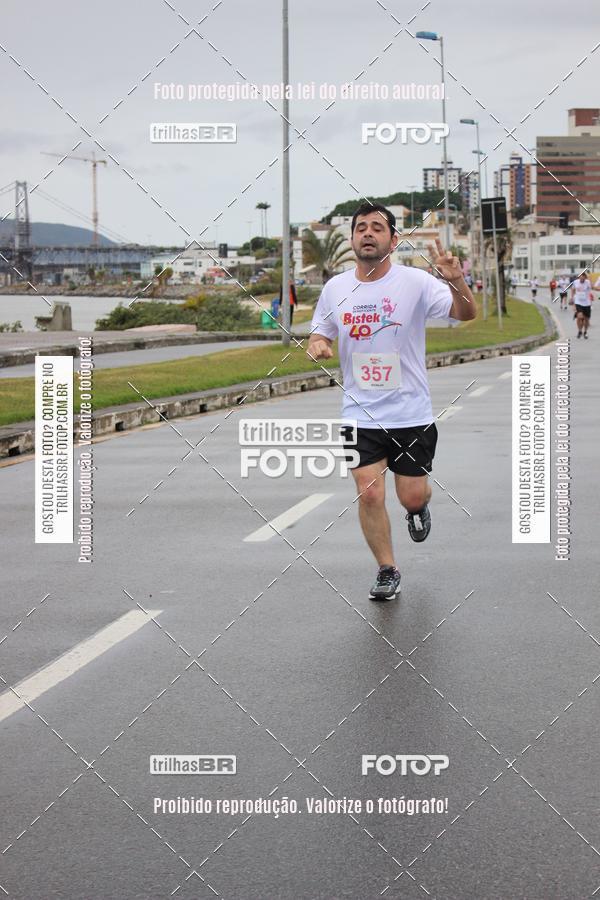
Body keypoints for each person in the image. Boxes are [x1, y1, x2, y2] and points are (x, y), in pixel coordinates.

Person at [307, 203, 476, 601]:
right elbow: (322, 333)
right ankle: (387, 569)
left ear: (393, 240)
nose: (368, 233)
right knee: (369, 492)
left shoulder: (415, 282)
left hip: (410, 412)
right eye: (361, 227)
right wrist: (317, 343)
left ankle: (417, 509)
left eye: (377, 227)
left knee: (411, 495)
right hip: (358, 412)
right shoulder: (335, 288)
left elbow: (466, 313)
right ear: (351, 240)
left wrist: (457, 281)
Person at [570, 272, 593, 338]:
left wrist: (589, 279)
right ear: (579, 277)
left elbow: (592, 286)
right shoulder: (575, 282)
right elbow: (573, 289)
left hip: (587, 303)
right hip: (578, 302)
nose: (581, 279)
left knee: (586, 319)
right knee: (580, 317)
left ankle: (585, 332)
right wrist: (572, 297)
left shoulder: (588, 282)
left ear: (585, 278)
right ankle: (580, 331)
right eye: (580, 278)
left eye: (583, 278)